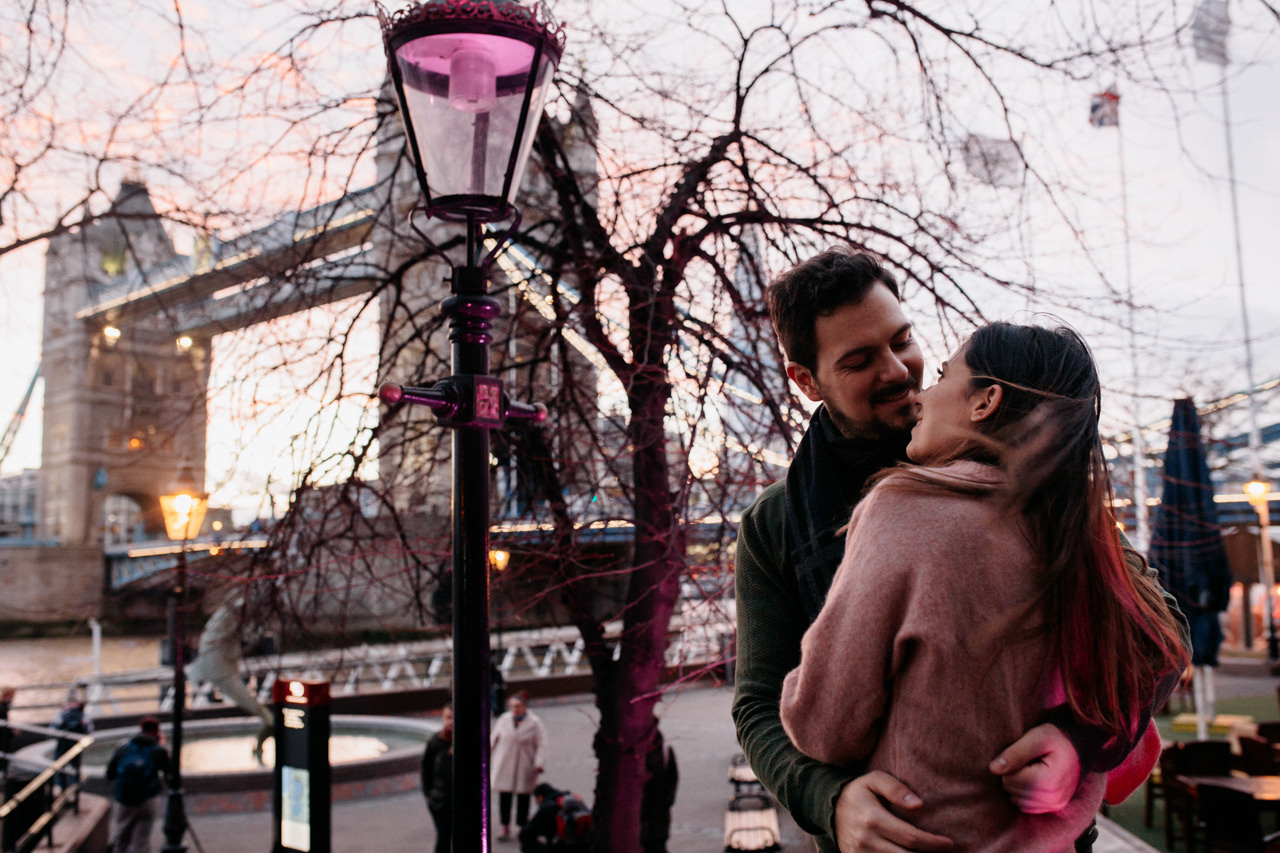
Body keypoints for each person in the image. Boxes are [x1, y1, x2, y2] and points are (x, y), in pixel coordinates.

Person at [731, 247, 1188, 852]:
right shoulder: (776, 522)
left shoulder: (1031, 476)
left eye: (903, 340)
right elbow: (759, 704)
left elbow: (1158, 633)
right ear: (807, 380)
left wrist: (1081, 740)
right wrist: (828, 798)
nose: (898, 371)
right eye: (861, 359)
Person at [105, 716, 172, 853]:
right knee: (141, 840)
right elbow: (169, 774)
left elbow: (110, 774)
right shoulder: (158, 750)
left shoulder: (123, 748)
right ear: (157, 731)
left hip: (123, 798)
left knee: (121, 838)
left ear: (140, 729)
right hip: (147, 798)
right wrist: (162, 745)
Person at [491, 690, 548, 842]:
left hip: (525, 764)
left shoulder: (534, 723)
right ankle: (505, 826)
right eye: (512, 706)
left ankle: (522, 826)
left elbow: (541, 744)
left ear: (525, 707)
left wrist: (539, 763)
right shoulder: (504, 720)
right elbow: (493, 740)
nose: (515, 709)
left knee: (523, 797)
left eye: (518, 706)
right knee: (505, 796)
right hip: (505, 763)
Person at [519, 782, 590, 853]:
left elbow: (525, 835)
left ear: (540, 797)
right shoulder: (572, 800)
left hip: (562, 847)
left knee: (526, 846)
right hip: (583, 846)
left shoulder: (548, 807)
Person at [421, 703, 453, 853]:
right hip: (440, 800)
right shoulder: (436, 741)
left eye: (453, 718)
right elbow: (426, 768)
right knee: (444, 837)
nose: (450, 722)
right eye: (448, 718)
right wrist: (428, 793)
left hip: (457, 800)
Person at [640, 729, 679, 853]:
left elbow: (673, 776)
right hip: (642, 813)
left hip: (659, 812)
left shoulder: (665, 751)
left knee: (658, 844)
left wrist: (668, 800)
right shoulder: (636, 750)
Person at [51, 693, 92, 790]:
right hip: (71, 745)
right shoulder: (82, 716)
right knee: (71, 767)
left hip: (67, 744)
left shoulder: (63, 715)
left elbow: (52, 731)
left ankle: (67, 788)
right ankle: (71, 788)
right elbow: (89, 731)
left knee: (65, 766)